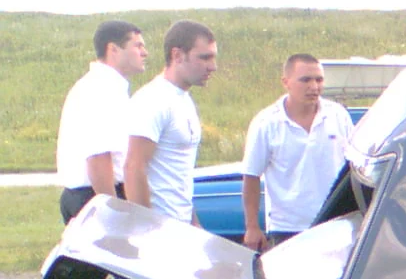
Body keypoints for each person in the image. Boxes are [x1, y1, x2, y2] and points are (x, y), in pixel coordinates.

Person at [24, 20, 148, 279]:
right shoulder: (101, 90)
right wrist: (111, 209)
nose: (144, 51)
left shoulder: (105, 87)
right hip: (95, 196)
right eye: (137, 44)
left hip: (91, 196)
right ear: (113, 49)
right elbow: (99, 157)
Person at [241, 54, 353, 250]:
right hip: (287, 228)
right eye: (306, 80)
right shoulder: (266, 123)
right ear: (286, 82)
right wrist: (252, 227)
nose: (314, 87)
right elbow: (251, 176)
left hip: (334, 222)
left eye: (319, 80)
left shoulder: (338, 116)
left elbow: (355, 166)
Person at [123, 20, 217, 224]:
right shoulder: (153, 100)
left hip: (180, 226)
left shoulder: (183, 99)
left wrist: (194, 224)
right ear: (177, 55)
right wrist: (147, 227)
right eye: (204, 58)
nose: (213, 66)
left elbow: (179, 175)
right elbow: (133, 167)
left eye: (213, 57)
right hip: (159, 229)